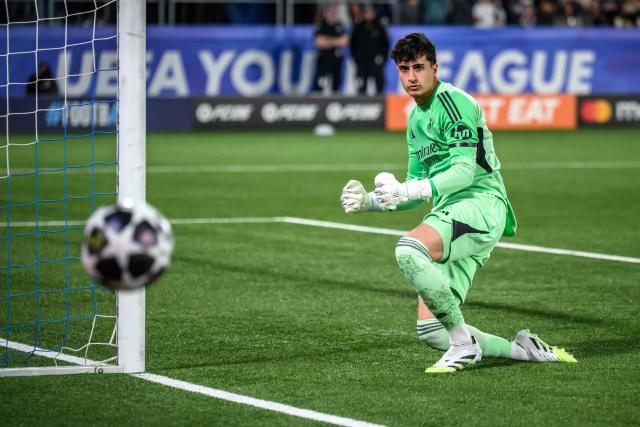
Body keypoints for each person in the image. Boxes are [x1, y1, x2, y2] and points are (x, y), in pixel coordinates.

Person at [340, 33, 576, 373]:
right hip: (451, 214)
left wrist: (410, 190)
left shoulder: (454, 102)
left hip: (481, 203)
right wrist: (370, 202)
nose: (411, 77)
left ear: (435, 68)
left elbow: (465, 172)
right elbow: (413, 187)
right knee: (432, 330)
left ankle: (464, 345)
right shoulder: (416, 119)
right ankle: (525, 350)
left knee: (409, 250)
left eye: (419, 67)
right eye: (404, 69)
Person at [349, 5, 389, 96]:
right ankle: (361, 106)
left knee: (379, 86)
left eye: (370, 12)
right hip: (362, 62)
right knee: (361, 87)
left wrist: (383, 59)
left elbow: (385, 45)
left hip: (376, 62)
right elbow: (352, 45)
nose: (368, 14)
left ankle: (380, 104)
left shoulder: (379, 27)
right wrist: (356, 59)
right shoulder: (358, 27)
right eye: (366, 12)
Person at [312, 2, 349, 95]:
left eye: (334, 10)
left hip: (336, 60)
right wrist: (335, 41)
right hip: (323, 60)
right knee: (320, 84)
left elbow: (345, 41)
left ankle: (334, 106)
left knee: (336, 85)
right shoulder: (321, 25)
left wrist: (328, 40)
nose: (333, 12)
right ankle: (318, 105)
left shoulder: (340, 25)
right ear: (326, 11)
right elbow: (318, 42)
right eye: (331, 10)